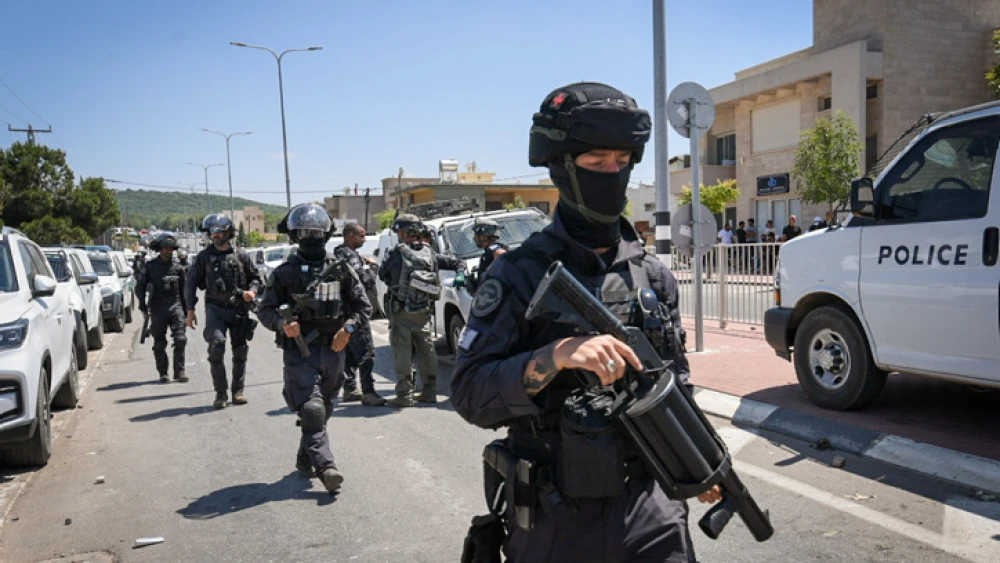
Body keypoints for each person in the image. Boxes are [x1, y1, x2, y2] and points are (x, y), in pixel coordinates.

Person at [451, 82, 720, 562]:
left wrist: (697, 460)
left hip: (650, 511)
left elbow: (673, 383)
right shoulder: (518, 274)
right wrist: (553, 356)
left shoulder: (652, 275)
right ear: (561, 167)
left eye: (623, 161)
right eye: (597, 163)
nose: (612, 173)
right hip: (557, 517)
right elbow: (470, 393)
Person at [257, 204, 371, 493]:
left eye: (315, 232)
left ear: (326, 234)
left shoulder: (342, 269)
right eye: (304, 232)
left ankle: (304, 456)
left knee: (325, 407)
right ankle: (326, 466)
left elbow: (362, 307)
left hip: (334, 350)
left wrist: (348, 329)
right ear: (295, 236)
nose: (310, 237)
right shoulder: (284, 273)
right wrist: (282, 325)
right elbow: (265, 310)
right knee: (312, 409)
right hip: (300, 351)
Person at [378, 213, 464, 407]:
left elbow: (383, 275)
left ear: (403, 233)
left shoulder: (396, 253)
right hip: (424, 311)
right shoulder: (429, 252)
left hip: (401, 312)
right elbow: (455, 263)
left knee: (403, 353)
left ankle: (404, 396)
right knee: (427, 351)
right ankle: (429, 391)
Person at [185, 214, 262, 409]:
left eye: (220, 231)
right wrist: (190, 310)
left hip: (238, 308)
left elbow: (256, 278)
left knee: (240, 351)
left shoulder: (241, 255)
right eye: (213, 232)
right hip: (215, 309)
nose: (216, 235)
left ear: (228, 233)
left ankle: (238, 391)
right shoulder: (203, 258)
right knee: (217, 347)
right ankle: (220, 394)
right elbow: (191, 283)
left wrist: (252, 292)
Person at [333, 222, 386, 407]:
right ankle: (369, 392)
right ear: (349, 236)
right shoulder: (350, 257)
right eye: (361, 236)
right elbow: (364, 281)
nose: (364, 239)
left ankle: (350, 388)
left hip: (342, 312)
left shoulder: (339, 254)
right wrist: (372, 268)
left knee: (348, 353)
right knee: (366, 353)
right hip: (355, 311)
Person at [136, 232, 188, 383]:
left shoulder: (178, 268)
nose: (167, 251)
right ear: (159, 249)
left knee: (180, 339)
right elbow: (140, 287)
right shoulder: (150, 267)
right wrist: (142, 305)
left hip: (175, 305)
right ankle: (163, 373)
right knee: (159, 342)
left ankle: (180, 371)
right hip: (157, 307)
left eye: (170, 248)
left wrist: (187, 311)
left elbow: (185, 291)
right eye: (164, 248)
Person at [471, 217, 507, 290]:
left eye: (476, 235)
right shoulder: (488, 252)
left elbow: (502, 256)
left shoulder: (492, 248)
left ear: (483, 237)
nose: (474, 238)